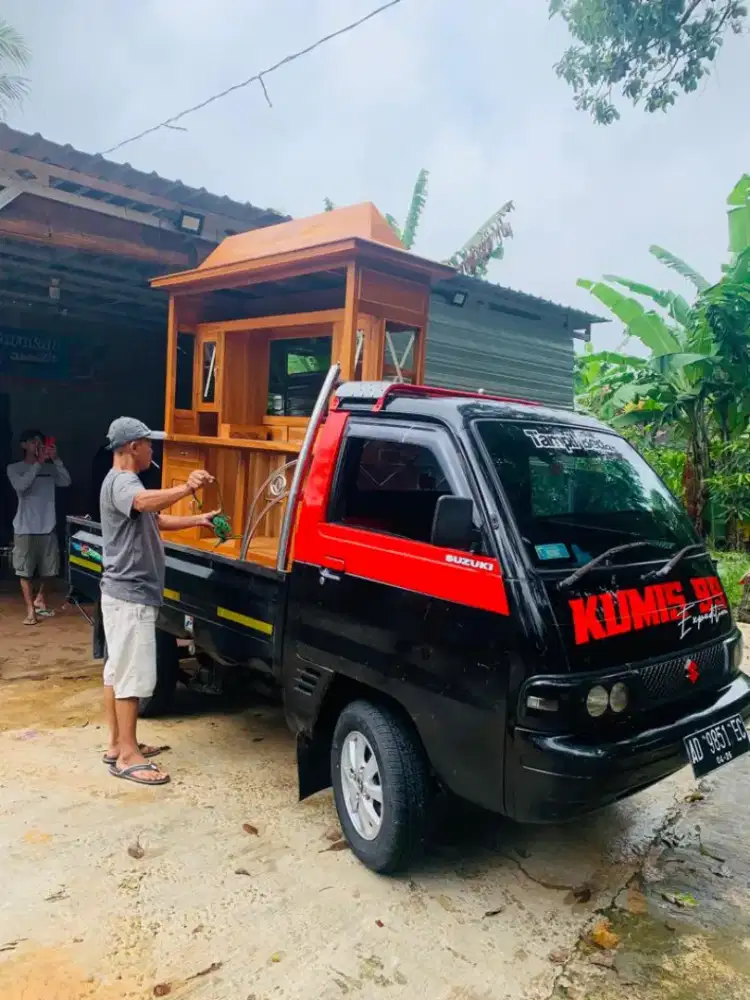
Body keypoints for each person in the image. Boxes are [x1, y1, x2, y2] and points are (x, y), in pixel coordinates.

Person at [100, 416, 216, 786]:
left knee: (117, 671)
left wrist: (198, 519)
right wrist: (185, 486)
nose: (154, 449)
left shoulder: (125, 484)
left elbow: (154, 519)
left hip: (121, 592)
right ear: (133, 447)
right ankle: (129, 756)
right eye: (150, 443)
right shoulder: (123, 482)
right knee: (132, 675)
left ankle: (118, 744)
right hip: (130, 593)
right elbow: (141, 501)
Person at [7, 429, 71, 625]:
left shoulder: (50, 469)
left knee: (51, 571)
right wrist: (37, 464)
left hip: (47, 526)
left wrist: (56, 459)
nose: (37, 445)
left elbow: (66, 482)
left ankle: (41, 599)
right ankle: (30, 611)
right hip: (24, 527)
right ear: (24, 445)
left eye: (40, 442)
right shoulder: (14, 468)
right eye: (33, 442)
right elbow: (21, 487)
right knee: (24, 572)